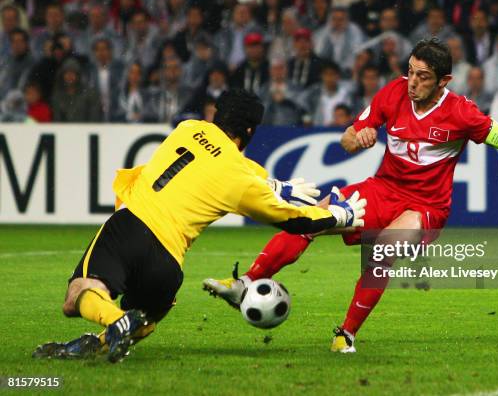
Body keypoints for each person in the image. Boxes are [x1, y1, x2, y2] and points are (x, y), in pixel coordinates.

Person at [203, 38, 498, 353]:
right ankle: (244, 284)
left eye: (423, 76)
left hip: (426, 207)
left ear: (444, 81)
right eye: (410, 70)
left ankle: (345, 335)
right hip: (381, 189)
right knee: (311, 218)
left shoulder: (463, 114)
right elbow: (348, 138)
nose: (412, 82)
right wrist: (357, 138)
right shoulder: (393, 92)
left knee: (384, 249)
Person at [33, 89, 366, 363]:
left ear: (215, 114)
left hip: (131, 227)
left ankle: (114, 320)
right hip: (167, 265)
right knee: (143, 321)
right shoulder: (240, 180)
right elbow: (291, 220)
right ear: (250, 132)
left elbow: (213, 160)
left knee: (79, 293)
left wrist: (273, 185)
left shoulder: (188, 129)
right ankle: (100, 341)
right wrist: (340, 216)